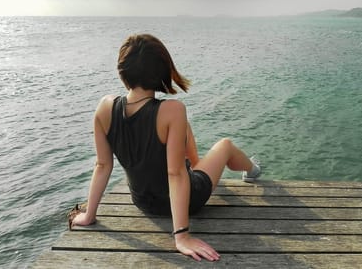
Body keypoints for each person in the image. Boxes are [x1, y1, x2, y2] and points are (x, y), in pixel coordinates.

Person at [71, 34, 261, 262]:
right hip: (189, 199)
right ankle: (252, 171)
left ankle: (199, 167)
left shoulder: (104, 107)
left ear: (122, 71)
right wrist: (181, 236)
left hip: (142, 201)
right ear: (161, 71)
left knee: (184, 129)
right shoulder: (172, 110)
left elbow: (102, 165)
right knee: (225, 145)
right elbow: (175, 173)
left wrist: (89, 215)